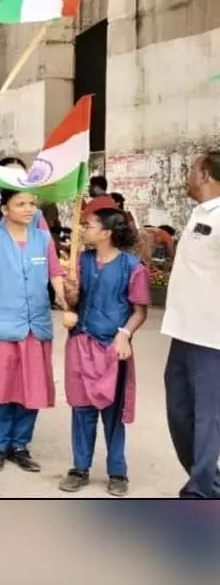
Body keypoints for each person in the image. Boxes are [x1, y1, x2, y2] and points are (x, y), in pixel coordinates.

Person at [0, 189, 68, 474]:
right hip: (3, 326)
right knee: (0, 389)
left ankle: (20, 445)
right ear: (5, 209)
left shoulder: (43, 238)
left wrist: (63, 296)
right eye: (20, 204)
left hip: (36, 326)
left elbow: (55, 272)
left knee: (32, 388)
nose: (29, 209)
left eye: (32, 203)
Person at [59, 208, 148, 497]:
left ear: (107, 232)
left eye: (91, 224)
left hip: (113, 346)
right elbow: (72, 300)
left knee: (113, 411)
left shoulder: (132, 266)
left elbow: (139, 311)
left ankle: (117, 471)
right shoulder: (80, 261)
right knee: (82, 408)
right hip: (81, 341)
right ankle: (79, 468)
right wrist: (68, 294)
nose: (85, 228)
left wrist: (125, 335)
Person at [162, 151, 220, 499]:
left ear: (207, 174)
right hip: (182, 331)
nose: (187, 176)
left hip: (211, 336)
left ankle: (200, 492)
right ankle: (209, 482)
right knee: (180, 411)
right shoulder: (200, 213)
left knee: (207, 416)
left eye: (192, 170)